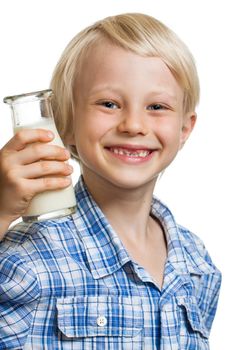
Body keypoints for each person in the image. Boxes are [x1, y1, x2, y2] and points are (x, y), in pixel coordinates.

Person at [0, 13, 221, 349]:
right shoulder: (28, 259)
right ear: (66, 123)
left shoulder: (197, 265)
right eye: (109, 104)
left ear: (184, 129)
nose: (133, 124)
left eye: (157, 106)